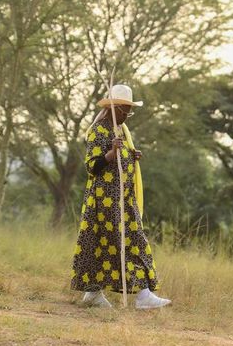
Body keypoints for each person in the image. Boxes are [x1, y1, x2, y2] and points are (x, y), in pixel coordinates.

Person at [71, 84, 171, 309]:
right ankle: (94, 293)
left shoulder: (121, 131)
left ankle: (142, 294)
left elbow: (120, 161)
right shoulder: (99, 130)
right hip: (104, 200)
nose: (127, 115)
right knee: (102, 242)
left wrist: (130, 155)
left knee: (135, 239)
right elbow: (92, 166)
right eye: (125, 109)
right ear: (113, 108)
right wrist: (112, 153)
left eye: (129, 110)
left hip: (123, 198)